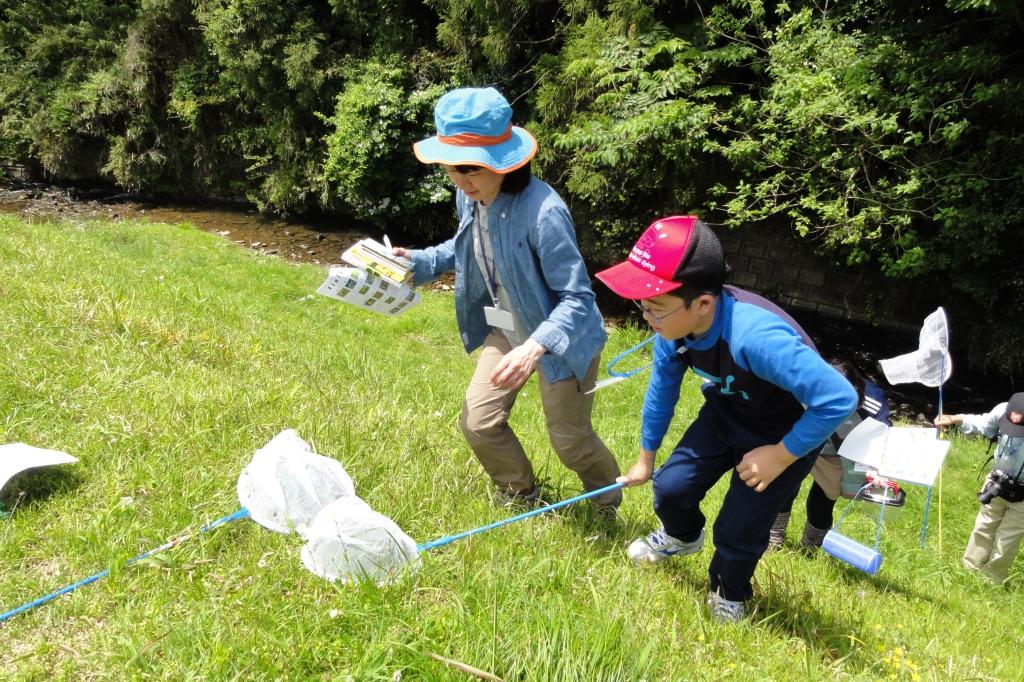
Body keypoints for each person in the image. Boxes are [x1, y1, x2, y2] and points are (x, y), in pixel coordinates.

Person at [595, 215, 857, 622]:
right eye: (642, 306)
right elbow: (662, 390)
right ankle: (682, 537)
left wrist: (782, 455)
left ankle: (728, 591)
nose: (646, 317)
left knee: (739, 526)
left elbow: (839, 398)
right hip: (726, 411)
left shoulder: (756, 337)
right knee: (672, 487)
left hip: (784, 431)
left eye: (656, 308)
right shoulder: (673, 332)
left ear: (702, 304)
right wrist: (647, 457)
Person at [392, 87, 621, 510]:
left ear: (503, 162)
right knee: (478, 422)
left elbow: (578, 298)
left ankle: (606, 502)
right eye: (451, 170)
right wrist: (416, 262)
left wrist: (536, 347)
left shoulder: (544, 213)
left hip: (560, 340)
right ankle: (521, 494)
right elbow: (464, 248)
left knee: (570, 442)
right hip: (508, 327)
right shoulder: (470, 195)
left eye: (470, 170)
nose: (460, 181)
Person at [768, 359, 892, 550]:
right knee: (786, 485)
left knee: (825, 496)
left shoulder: (874, 403)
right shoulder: (804, 386)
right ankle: (773, 538)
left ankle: (811, 547)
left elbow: (881, 437)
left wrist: (876, 468)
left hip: (839, 450)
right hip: (801, 436)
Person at [935, 393, 1024, 584]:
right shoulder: (1002, 410)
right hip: (997, 482)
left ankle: (992, 580)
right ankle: (968, 570)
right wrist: (952, 419)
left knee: (1006, 539)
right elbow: (982, 423)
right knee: (983, 526)